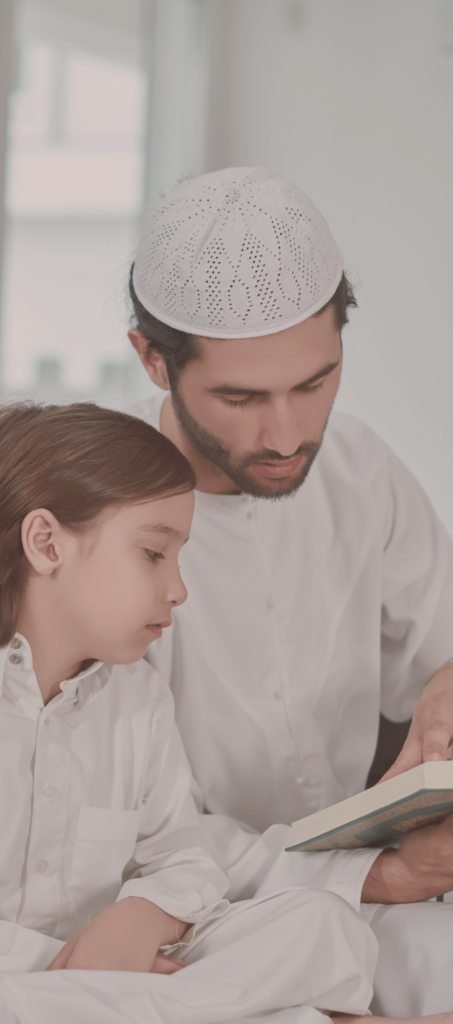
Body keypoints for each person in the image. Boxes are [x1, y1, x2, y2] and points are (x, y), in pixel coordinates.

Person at [0, 403, 386, 1024]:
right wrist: (66, 965)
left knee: (324, 924)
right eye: (155, 554)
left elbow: (183, 859)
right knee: (2, 1011)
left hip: (133, 985)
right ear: (46, 543)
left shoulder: (139, 701)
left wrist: (145, 915)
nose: (179, 589)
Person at [125, 166, 453, 1016]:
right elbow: (120, 828)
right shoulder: (96, 519)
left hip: (384, 891)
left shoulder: (361, 468)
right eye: (240, 397)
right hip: (192, 913)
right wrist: (372, 873)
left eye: (315, 383)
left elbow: (442, 646)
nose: (288, 435)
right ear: (153, 360)